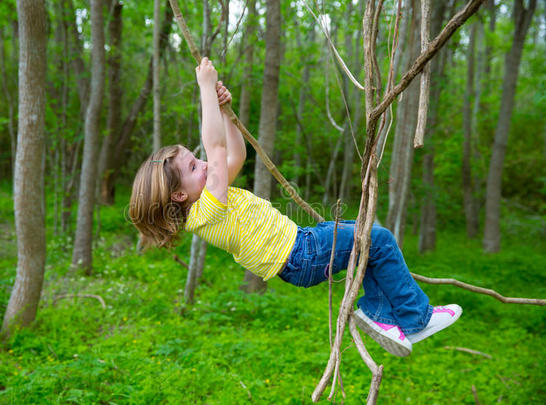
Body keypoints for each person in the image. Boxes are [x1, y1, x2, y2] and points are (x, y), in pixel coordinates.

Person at [129, 57, 461, 357]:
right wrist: (204, 87)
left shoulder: (210, 195)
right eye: (191, 168)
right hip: (301, 255)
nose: (202, 165)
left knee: (366, 240)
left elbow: (235, 156)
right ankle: (415, 318)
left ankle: (381, 314)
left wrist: (228, 115)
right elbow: (215, 148)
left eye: (197, 159)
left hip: (303, 243)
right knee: (380, 240)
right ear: (178, 196)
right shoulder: (206, 212)